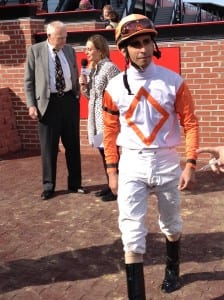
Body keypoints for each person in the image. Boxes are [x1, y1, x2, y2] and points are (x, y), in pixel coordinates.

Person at [102, 14, 199, 298]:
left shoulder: (173, 81)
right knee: (131, 232)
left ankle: (172, 268)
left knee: (171, 224)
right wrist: (111, 171)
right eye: (135, 44)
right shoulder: (114, 87)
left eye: (146, 42)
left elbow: (191, 123)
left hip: (167, 161)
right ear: (124, 50)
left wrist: (190, 163)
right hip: (131, 161)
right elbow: (109, 132)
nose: (142, 49)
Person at [24, 21, 86, 200]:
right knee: (49, 148)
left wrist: (77, 91)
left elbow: (72, 73)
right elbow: (28, 81)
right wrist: (31, 104)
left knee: (73, 146)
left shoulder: (69, 50)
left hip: (68, 101)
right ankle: (48, 186)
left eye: (65, 36)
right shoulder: (35, 51)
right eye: (60, 37)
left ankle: (75, 184)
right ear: (49, 36)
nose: (64, 40)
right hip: (47, 105)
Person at [79, 34, 120, 201]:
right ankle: (110, 183)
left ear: (99, 50)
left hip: (107, 119)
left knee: (111, 152)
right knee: (103, 152)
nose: (86, 52)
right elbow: (90, 95)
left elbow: (118, 93)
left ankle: (118, 188)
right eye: (86, 49)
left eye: (89, 49)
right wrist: (83, 85)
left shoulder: (110, 68)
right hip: (95, 121)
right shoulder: (92, 68)